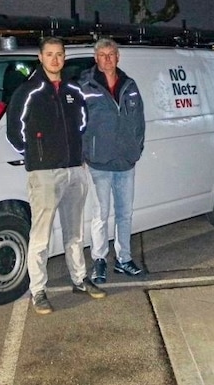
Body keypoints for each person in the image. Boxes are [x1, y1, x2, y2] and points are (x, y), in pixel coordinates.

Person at [6, 37, 106, 315]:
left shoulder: (73, 90)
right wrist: (37, 156)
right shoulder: (28, 92)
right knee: (41, 237)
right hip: (44, 173)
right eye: (49, 54)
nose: (55, 59)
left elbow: (82, 123)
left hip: (75, 169)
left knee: (74, 232)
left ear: (64, 57)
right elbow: (14, 132)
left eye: (59, 54)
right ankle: (38, 291)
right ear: (40, 57)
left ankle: (79, 279)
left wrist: (76, 154)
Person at [79, 38, 146, 284]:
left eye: (111, 54)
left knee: (124, 214)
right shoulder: (85, 85)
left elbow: (139, 120)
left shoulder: (130, 85)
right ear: (96, 58)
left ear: (118, 57)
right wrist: (84, 153)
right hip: (99, 162)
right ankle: (99, 260)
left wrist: (136, 149)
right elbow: (79, 124)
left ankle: (124, 259)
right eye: (102, 55)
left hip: (125, 161)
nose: (107, 59)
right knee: (100, 215)